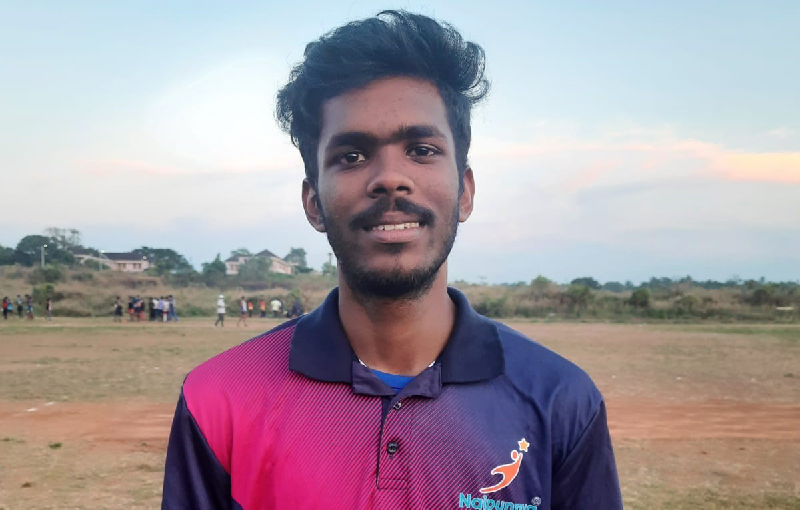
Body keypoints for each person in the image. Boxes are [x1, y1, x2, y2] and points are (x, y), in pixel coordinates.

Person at [162, 11, 621, 510]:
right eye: (352, 156)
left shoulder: (559, 399)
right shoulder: (219, 398)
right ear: (313, 201)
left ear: (464, 192)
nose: (389, 179)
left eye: (421, 149)